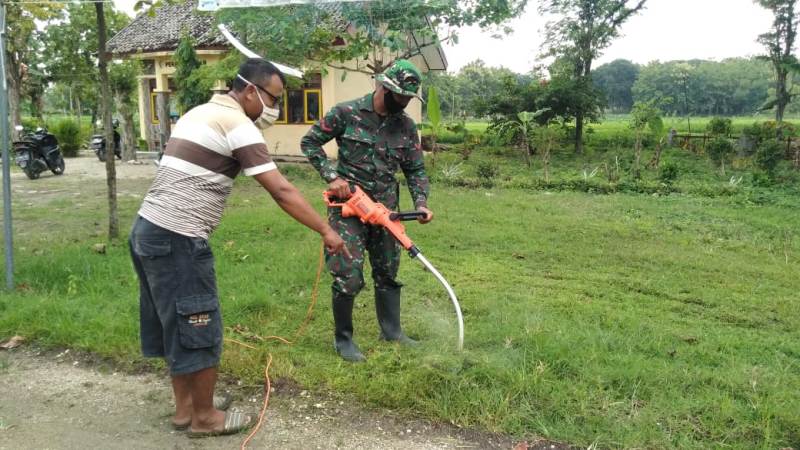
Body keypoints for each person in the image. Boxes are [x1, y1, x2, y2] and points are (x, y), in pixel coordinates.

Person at [128, 58, 348, 437]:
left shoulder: (201, 111)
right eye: (273, 98)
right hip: (178, 238)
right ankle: (205, 419)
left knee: (174, 327)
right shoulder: (237, 124)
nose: (275, 110)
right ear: (250, 90)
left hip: (148, 230)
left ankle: (186, 409)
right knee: (199, 325)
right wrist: (326, 231)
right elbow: (280, 189)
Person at [301, 59, 432, 363]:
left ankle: (392, 331)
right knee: (348, 274)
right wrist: (332, 177)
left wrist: (422, 203)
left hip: (386, 211)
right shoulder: (346, 113)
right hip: (349, 209)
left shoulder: (406, 126)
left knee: (387, 272)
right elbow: (310, 142)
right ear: (383, 87)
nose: (404, 103)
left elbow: (415, 169)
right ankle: (343, 340)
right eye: (399, 96)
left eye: (408, 98)